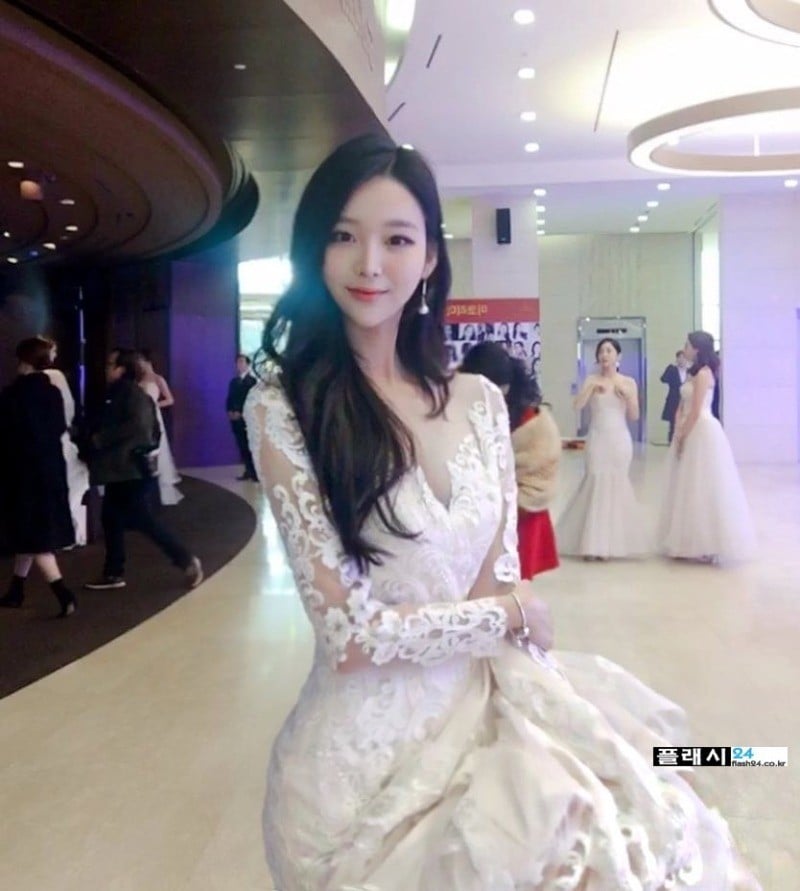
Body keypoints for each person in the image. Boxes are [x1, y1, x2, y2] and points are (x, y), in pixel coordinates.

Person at [244, 135, 759, 889]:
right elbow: (349, 634)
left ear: (430, 258)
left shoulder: (482, 402)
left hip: (486, 713)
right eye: (344, 236)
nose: (370, 263)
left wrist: (519, 638)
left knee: (633, 826)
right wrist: (509, 615)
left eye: (397, 239)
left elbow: (499, 576)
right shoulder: (285, 407)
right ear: (314, 250)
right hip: (359, 779)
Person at [84, 349, 203, 591]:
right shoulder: (126, 393)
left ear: (122, 368)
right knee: (112, 518)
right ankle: (113, 571)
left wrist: (99, 440)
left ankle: (185, 559)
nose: (107, 369)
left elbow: (137, 426)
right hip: (124, 469)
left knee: (140, 518)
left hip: (128, 469)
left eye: (111, 364)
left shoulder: (129, 394)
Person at [460, 341, 560, 578]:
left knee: (511, 582)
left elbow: (540, 475)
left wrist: (504, 509)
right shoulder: (459, 402)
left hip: (519, 513)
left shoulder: (533, 422)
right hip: (473, 518)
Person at [659, 331, 756, 564]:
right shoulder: (691, 373)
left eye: (688, 345)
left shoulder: (704, 374)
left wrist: (683, 434)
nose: (684, 348)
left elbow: (696, 410)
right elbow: (682, 405)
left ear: (697, 349)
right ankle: (686, 540)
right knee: (686, 485)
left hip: (701, 430)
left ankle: (708, 542)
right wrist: (677, 427)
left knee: (702, 484)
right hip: (687, 426)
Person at [0, 337, 76, 616]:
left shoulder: (14, 395)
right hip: (51, 469)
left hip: (23, 473)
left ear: (24, 360)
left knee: (33, 535)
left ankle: (63, 594)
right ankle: (16, 589)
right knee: (32, 532)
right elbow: (59, 427)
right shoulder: (52, 392)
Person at [556, 337, 647, 560]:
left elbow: (635, 415)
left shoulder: (628, 382)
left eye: (609, 351)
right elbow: (577, 405)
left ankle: (611, 544)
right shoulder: (591, 380)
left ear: (618, 356)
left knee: (616, 484)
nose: (604, 355)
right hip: (597, 439)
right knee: (595, 481)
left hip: (619, 440)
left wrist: (627, 397)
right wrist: (590, 390)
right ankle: (592, 543)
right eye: (601, 351)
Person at [42, 338, 90, 546]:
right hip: (60, 438)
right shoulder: (55, 375)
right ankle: (69, 531)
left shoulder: (44, 377)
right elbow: (68, 410)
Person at [135, 350, 183, 505]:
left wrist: (155, 405)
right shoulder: (138, 379)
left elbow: (170, 399)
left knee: (157, 447)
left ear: (147, 361)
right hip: (142, 415)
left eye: (140, 360)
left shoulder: (158, 379)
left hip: (153, 414)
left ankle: (159, 487)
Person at [225, 354, 258, 481]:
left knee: (250, 445)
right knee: (241, 445)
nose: (239, 364)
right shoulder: (234, 382)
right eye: (238, 362)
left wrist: (241, 412)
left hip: (246, 418)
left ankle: (255, 472)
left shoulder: (252, 381)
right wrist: (230, 411)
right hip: (235, 419)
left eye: (242, 362)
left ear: (248, 364)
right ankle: (248, 470)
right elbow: (229, 398)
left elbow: (250, 400)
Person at [660, 350, 689, 444]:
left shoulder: (690, 371)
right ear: (677, 359)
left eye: (684, 358)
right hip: (674, 399)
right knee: (673, 423)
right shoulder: (672, 369)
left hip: (686, 400)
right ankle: (671, 442)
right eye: (680, 358)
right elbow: (663, 379)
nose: (682, 360)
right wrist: (669, 370)